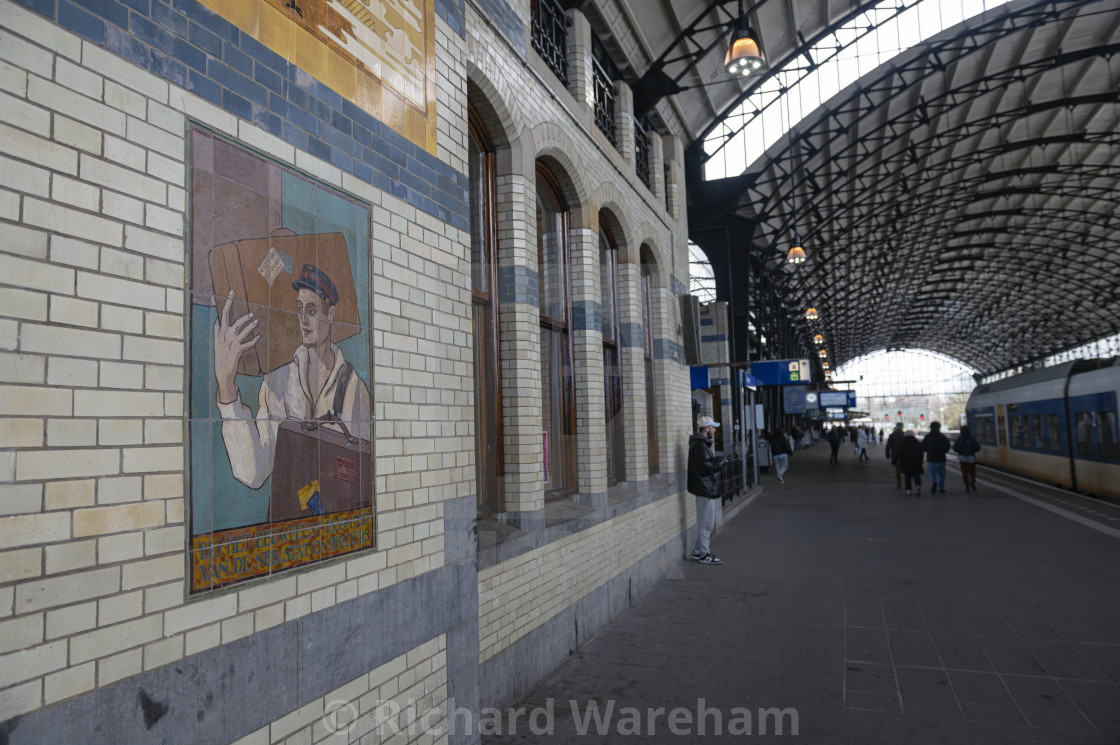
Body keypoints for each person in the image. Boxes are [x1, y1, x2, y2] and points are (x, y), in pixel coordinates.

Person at [214, 265, 372, 490]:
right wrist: (226, 385)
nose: (303, 320)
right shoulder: (277, 380)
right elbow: (254, 472)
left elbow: (362, 471)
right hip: (289, 511)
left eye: (311, 310)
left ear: (331, 314)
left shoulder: (354, 388)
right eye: (299, 309)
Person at [688, 415, 725, 565]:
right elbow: (706, 468)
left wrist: (717, 461)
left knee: (705, 521)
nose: (715, 430)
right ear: (707, 428)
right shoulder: (700, 446)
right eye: (713, 427)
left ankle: (698, 551)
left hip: (704, 488)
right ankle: (704, 554)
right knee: (707, 523)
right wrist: (720, 462)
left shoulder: (700, 445)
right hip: (705, 489)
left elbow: (705, 465)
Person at [923, 421, 952, 493]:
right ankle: (941, 488)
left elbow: (923, 446)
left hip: (931, 457)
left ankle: (933, 482)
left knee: (932, 472)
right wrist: (943, 451)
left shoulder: (928, 436)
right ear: (939, 427)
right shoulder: (942, 437)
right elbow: (947, 446)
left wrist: (928, 451)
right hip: (941, 457)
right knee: (941, 473)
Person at [953, 424, 982, 491]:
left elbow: (954, 448)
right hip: (971, 457)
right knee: (972, 471)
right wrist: (973, 451)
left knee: (964, 472)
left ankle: (967, 485)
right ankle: (972, 481)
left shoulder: (959, 439)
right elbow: (978, 447)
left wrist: (960, 451)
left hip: (962, 458)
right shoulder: (972, 439)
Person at [899, 430, 925, 495]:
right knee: (916, 475)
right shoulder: (918, 443)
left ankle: (908, 490)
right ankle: (918, 486)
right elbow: (921, 453)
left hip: (906, 463)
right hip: (916, 462)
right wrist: (921, 461)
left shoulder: (903, 443)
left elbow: (900, 453)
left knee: (907, 477)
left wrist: (896, 460)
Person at [885, 423, 905, 488]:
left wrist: (887, 454)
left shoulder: (892, 435)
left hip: (895, 455)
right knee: (906, 469)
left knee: (897, 470)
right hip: (904, 455)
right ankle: (907, 482)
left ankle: (898, 482)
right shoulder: (905, 435)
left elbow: (888, 446)